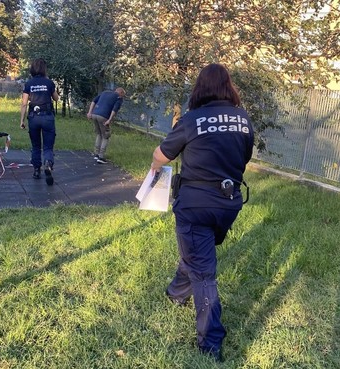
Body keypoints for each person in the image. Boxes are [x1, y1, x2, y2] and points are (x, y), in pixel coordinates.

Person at [149, 63, 254, 362]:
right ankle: (176, 293)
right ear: (228, 86)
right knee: (197, 251)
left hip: (195, 203)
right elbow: (244, 157)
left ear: (200, 88)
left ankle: (210, 343)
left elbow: (161, 155)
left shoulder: (191, 119)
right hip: (229, 202)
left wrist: (155, 171)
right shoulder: (244, 120)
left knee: (204, 272)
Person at [20, 58, 59, 185]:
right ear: (44, 69)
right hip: (47, 117)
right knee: (48, 146)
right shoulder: (49, 83)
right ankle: (47, 163)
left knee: (36, 145)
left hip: (33, 117)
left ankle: (36, 170)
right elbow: (56, 98)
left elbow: (24, 103)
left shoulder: (29, 84)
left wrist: (22, 120)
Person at [86, 87, 126, 164]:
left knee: (99, 134)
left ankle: (96, 154)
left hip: (94, 114)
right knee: (106, 136)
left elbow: (94, 101)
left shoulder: (104, 93)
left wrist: (89, 112)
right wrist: (109, 120)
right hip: (103, 117)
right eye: (123, 95)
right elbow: (114, 110)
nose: (123, 97)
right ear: (120, 93)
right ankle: (101, 156)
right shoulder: (119, 98)